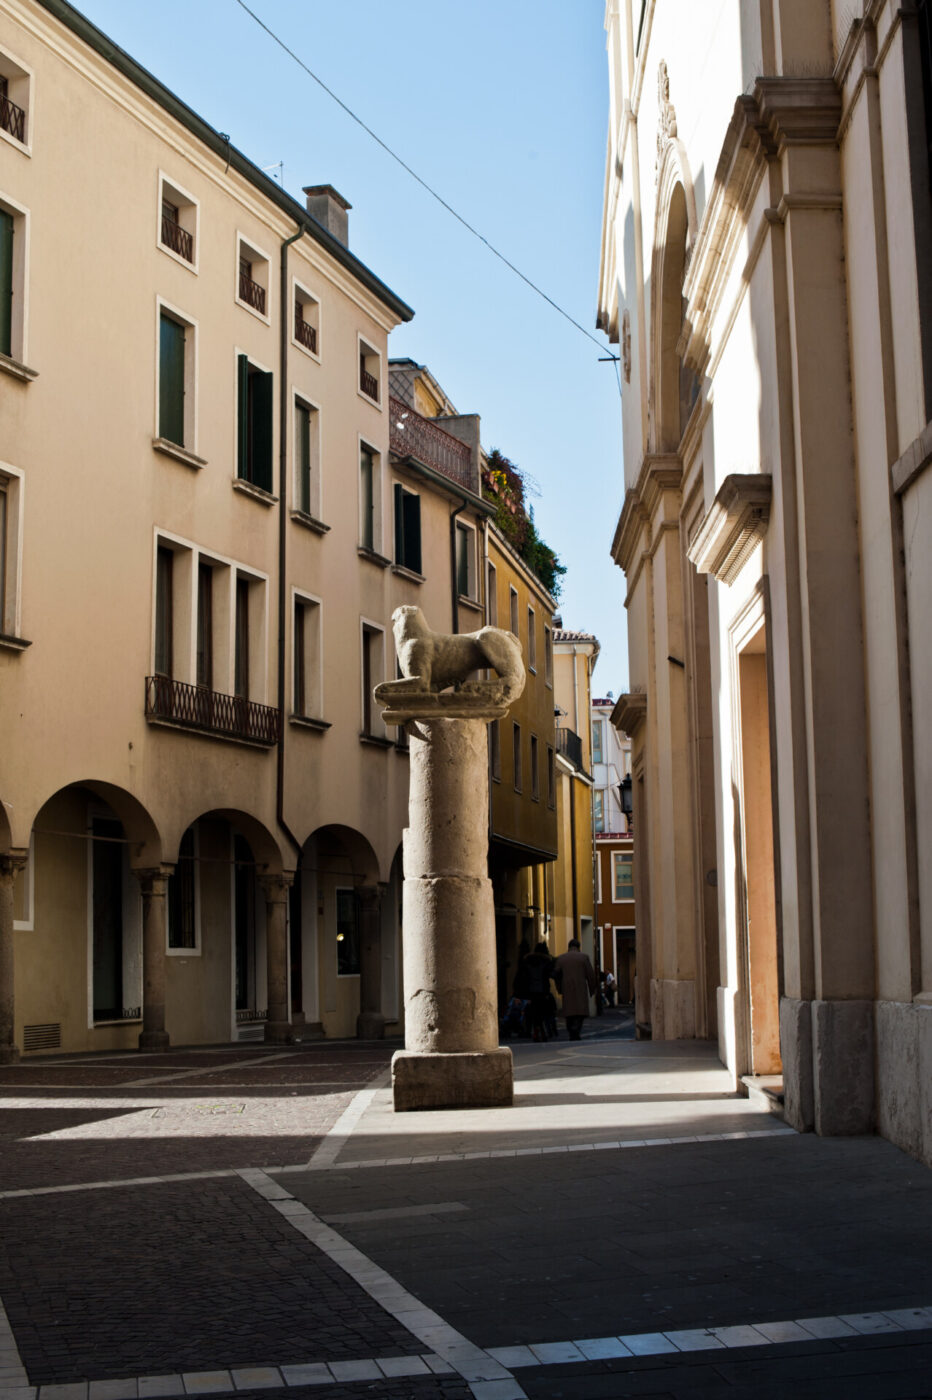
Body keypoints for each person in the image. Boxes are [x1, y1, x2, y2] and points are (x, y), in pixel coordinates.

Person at [553, 938, 597, 1041]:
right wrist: (592, 989)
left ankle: (571, 1031)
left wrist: (559, 988)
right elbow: (590, 975)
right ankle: (576, 1030)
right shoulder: (584, 957)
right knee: (580, 1013)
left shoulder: (561, 958)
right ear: (578, 947)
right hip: (581, 988)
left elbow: (556, 974)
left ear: (569, 947)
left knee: (569, 1013)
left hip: (567, 989)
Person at [524, 940, 555, 1042]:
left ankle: (535, 1032)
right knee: (543, 1012)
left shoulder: (527, 960)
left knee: (534, 1012)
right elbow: (549, 975)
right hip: (542, 991)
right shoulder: (546, 961)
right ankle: (544, 1031)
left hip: (530, 991)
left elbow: (524, 977)